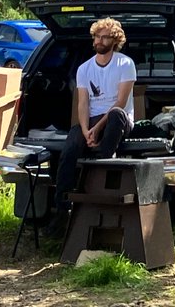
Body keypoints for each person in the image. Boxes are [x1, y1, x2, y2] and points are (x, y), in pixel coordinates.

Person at [46, 17, 137, 235]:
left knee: (115, 114)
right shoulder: (84, 69)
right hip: (92, 121)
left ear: (114, 40)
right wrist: (86, 130)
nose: (99, 40)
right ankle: (61, 210)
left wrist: (97, 129)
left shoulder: (125, 64)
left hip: (118, 120)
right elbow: (83, 103)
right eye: (97, 36)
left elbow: (121, 103)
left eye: (105, 37)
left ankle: (102, 168)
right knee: (70, 148)